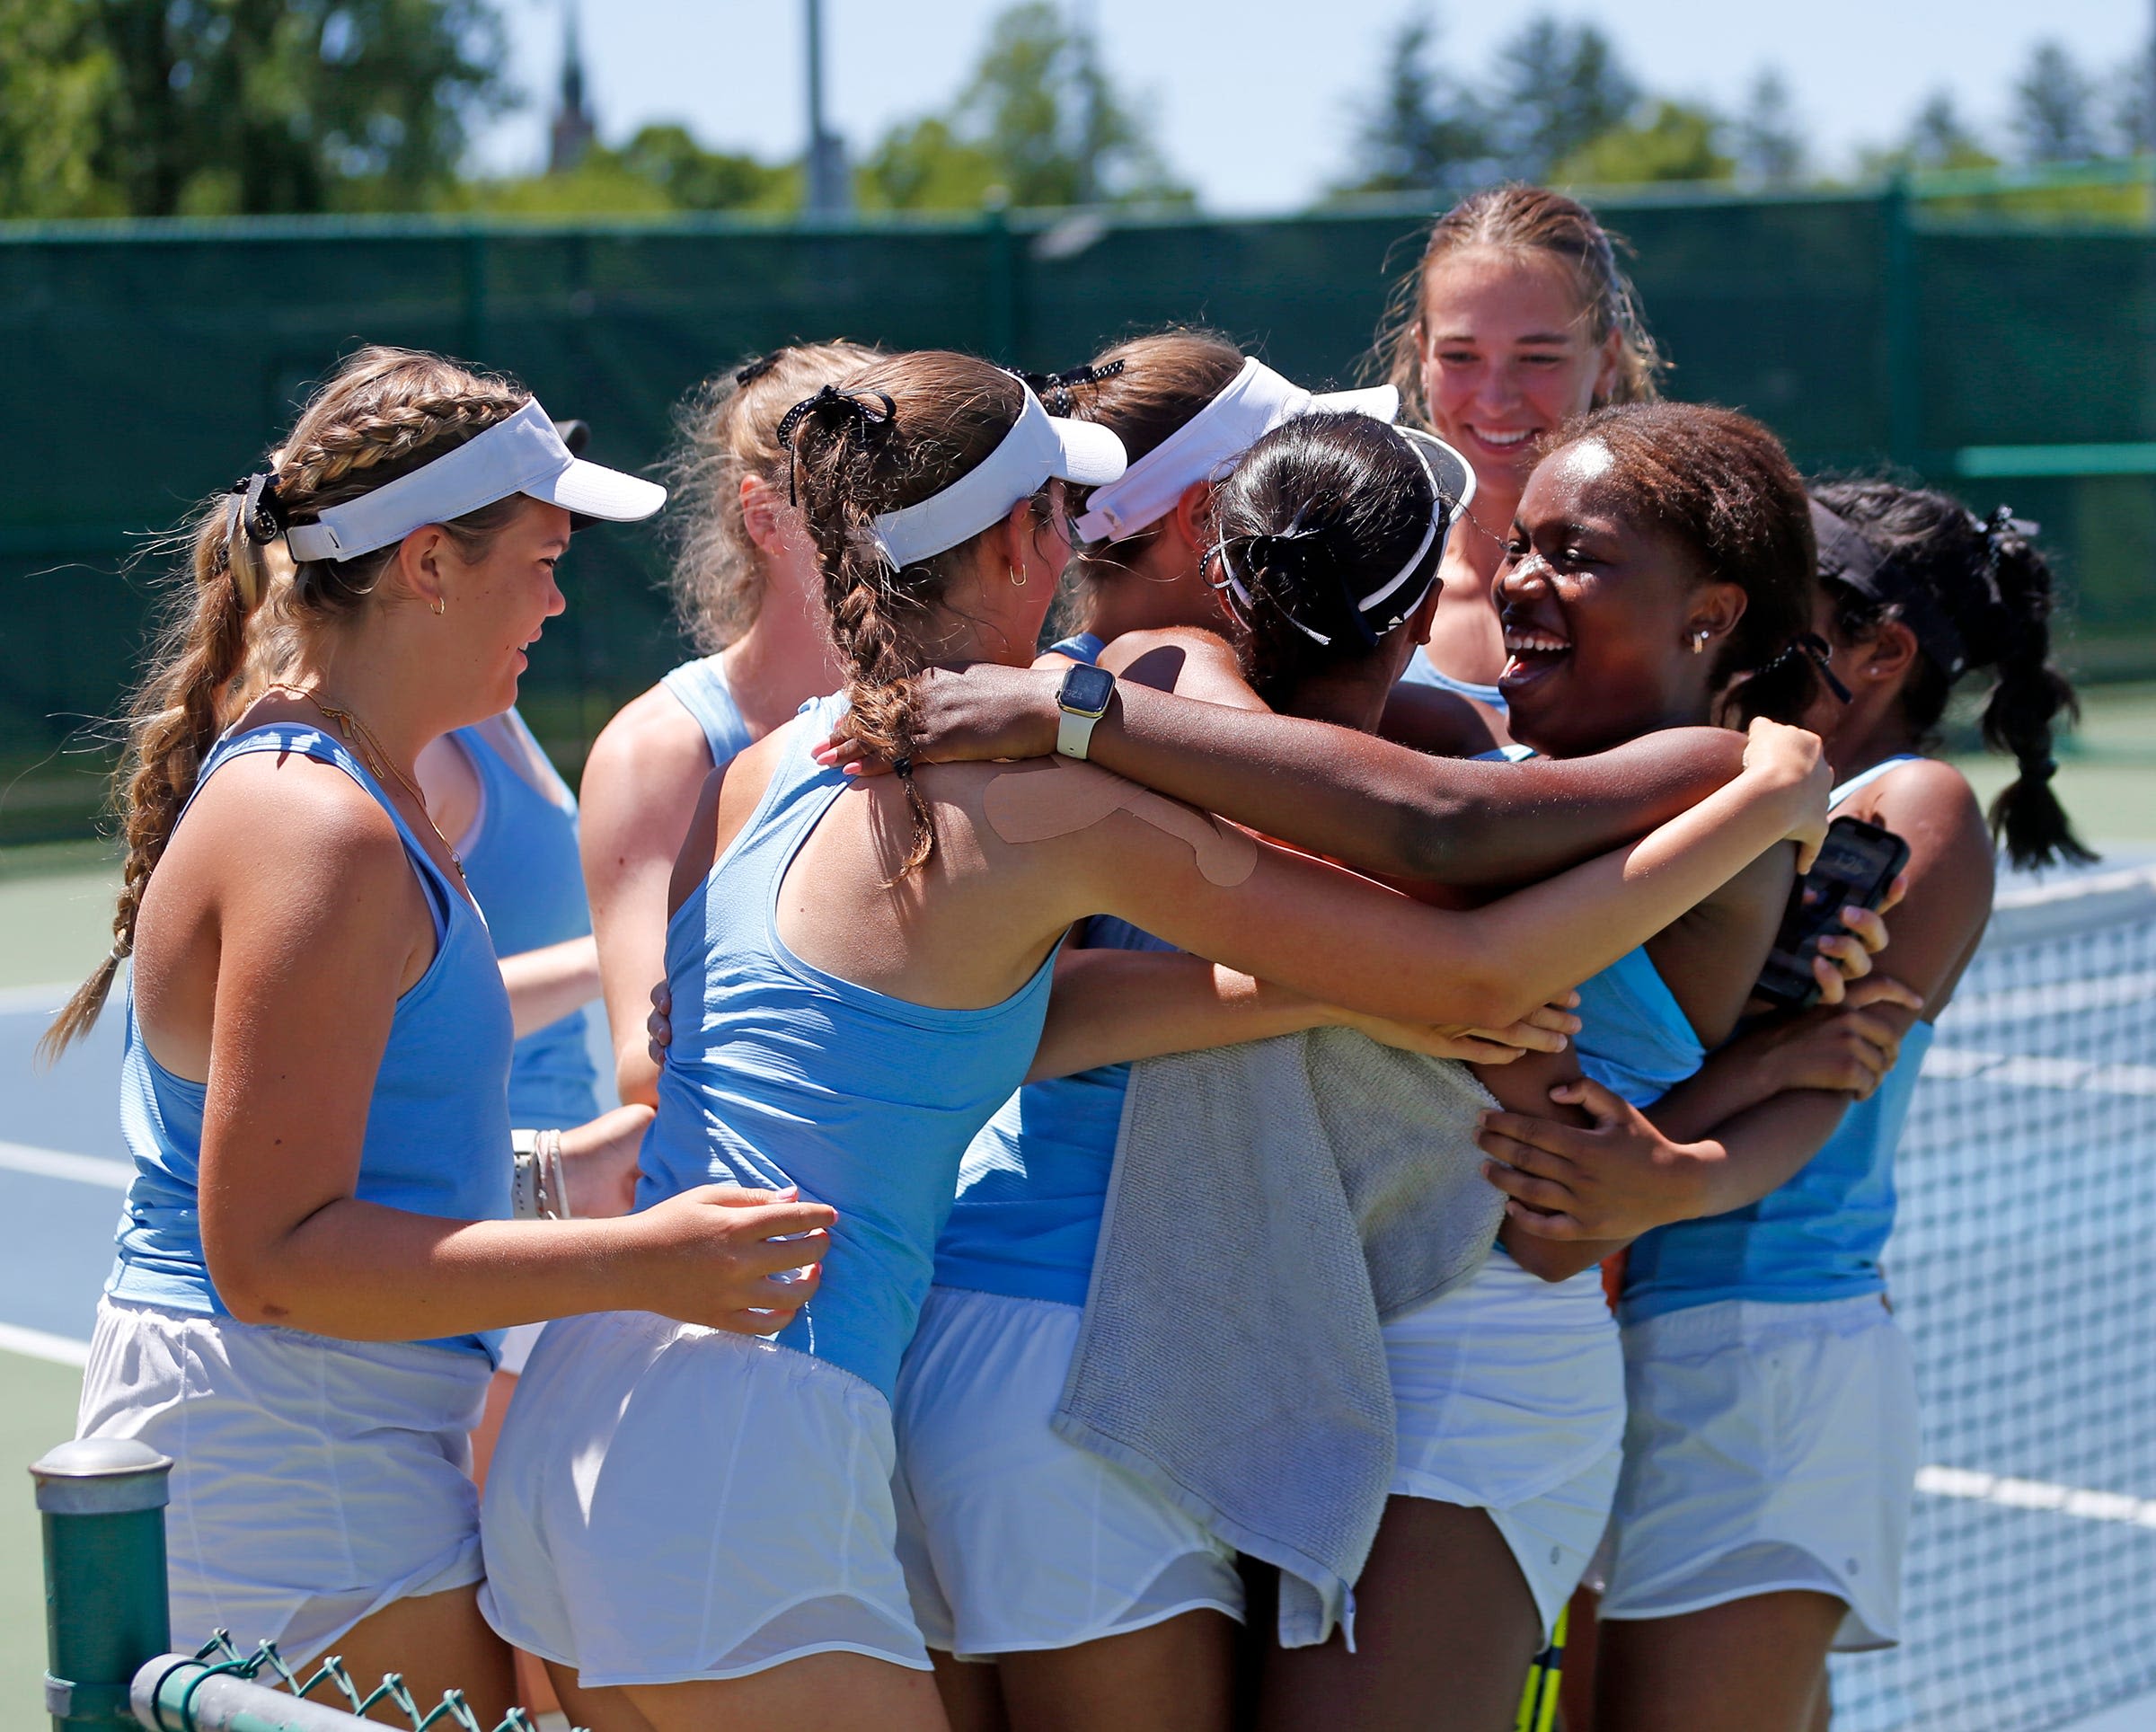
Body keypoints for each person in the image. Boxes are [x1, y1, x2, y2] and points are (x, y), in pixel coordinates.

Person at [477, 350, 1827, 1732]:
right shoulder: (1039, 802)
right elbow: (1473, 953)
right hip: (775, 1431)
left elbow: (1007, 1021)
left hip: (585, 1429)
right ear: (1020, 541)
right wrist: (1766, 787)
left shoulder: (783, 758)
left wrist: (1327, 992)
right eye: (1067, 515)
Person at [58, 346, 841, 1720]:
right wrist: (638, 1261)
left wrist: (553, 1177)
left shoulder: (358, 791)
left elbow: (346, 1161)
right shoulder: (321, 828)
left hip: (323, 1439)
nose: (555, 595)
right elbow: (274, 1258)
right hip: (286, 1457)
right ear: (426, 564)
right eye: (538, 558)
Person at [1519, 482, 2093, 1732]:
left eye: (1798, 608)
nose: (1756, 630)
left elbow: (1819, 1070)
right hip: (1625, 1334)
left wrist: (1665, 1176)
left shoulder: (1905, 803)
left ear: (1882, 652)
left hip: (1766, 1347)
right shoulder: (1743, 789)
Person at [579, 341, 878, 1109]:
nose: (901, 529)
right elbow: (647, 1070)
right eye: (865, 498)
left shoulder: (952, 702)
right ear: (764, 518)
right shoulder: (658, 753)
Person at [1376, 183, 1663, 733]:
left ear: (1605, 361)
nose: (1494, 398)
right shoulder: (1358, 576)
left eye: (1538, 357)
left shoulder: (1671, 585)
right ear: (1423, 355)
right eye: (1461, 356)